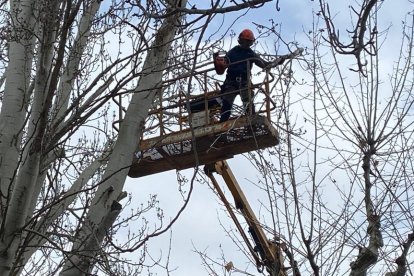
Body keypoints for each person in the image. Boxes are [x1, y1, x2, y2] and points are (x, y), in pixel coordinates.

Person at [218, 29, 287, 122]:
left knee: (249, 105)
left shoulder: (251, 54)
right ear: (241, 40)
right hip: (231, 82)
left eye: (249, 42)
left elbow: (265, 65)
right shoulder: (233, 52)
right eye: (246, 41)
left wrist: (277, 62)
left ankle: (251, 124)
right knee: (227, 103)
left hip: (244, 83)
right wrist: (219, 63)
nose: (247, 44)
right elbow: (222, 65)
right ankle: (223, 123)